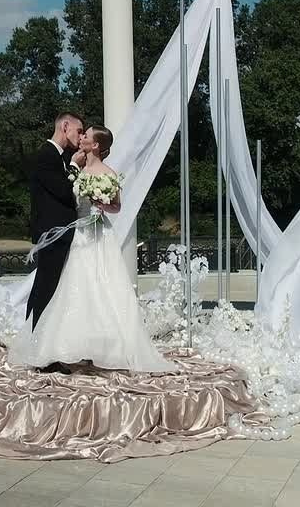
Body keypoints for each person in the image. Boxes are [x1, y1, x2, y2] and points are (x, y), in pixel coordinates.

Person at [11, 125, 176, 373]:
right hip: (78, 233)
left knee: (102, 285)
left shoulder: (108, 173)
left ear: (96, 145)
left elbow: (117, 206)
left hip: (99, 233)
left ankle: (105, 348)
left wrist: (102, 203)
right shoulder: (75, 169)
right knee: (74, 287)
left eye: (86, 136)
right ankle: (68, 346)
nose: (81, 138)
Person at [25, 112, 85, 330]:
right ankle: (36, 337)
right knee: (46, 288)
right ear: (65, 126)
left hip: (60, 232)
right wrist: (75, 166)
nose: (81, 136)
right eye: (79, 131)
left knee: (47, 286)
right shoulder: (47, 155)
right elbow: (62, 191)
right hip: (52, 232)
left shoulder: (60, 156)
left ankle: (36, 337)